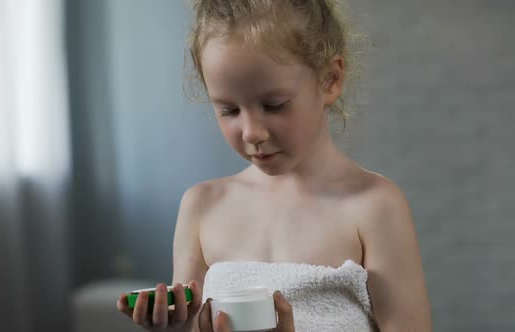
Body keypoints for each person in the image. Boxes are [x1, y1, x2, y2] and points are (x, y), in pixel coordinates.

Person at [118, 0, 432, 330]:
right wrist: (174, 327)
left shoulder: (374, 206)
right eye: (229, 110)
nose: (252, 132)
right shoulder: (201, 206)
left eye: (274, 105)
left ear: (330, 79)